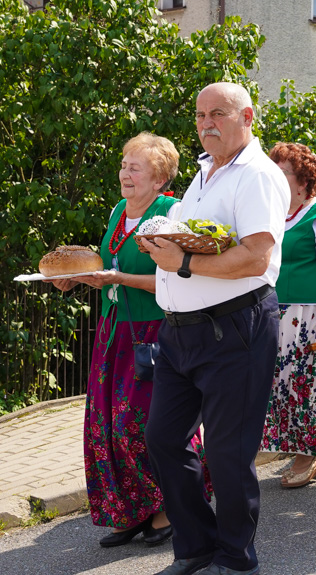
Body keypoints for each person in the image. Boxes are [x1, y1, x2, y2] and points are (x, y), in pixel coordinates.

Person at [142, 82, 289, 575]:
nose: (206, 124)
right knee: (162, 438)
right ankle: (198, 543)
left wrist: (181, 261)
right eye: (201, 114)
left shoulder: (259, 176)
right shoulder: (204, 173)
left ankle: (235, 556)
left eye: (218, 114)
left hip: (236, 329)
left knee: (228, 454)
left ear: (247, 116)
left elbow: (255, 257)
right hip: (180, 333)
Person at [45, 133, 205, 549]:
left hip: (156, 333)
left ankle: (170, 506)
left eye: (135, 168)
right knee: (108, 427)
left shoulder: (170, 212)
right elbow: (105, 268)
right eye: (124, 166)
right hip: (114, 332)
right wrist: (74, 279)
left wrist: (118, 279)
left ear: (159, 178)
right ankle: (133, 509)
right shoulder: (119, 211)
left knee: (147, 425)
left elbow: (175, 278)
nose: (125, 174)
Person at [260, 142, 316, 488]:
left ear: (302, 181)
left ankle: (308, 456)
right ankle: (294, 449)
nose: (275, 179)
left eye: (283, 173)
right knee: (277, 386)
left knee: (306, 387)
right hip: (273, 312)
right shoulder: (271, 213)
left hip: (309, 317)